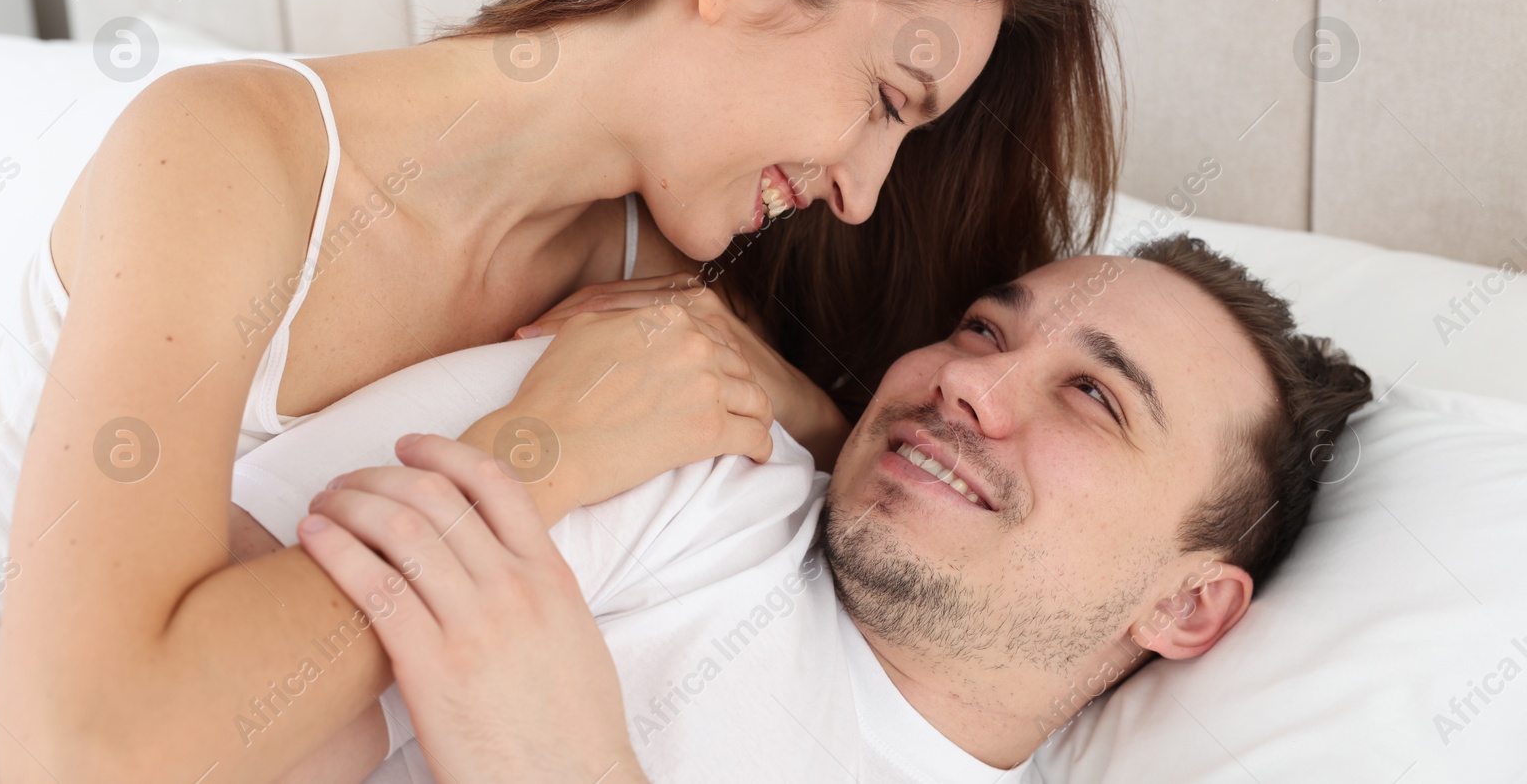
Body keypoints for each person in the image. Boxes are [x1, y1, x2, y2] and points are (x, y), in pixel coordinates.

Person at [0, 0, 1117, 781]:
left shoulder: (671, 283)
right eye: (883, 96)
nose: (861, 192)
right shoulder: (224, 156)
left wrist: (790, 399)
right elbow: (79, 754)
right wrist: (538, 455)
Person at [193, 234, 1371, 782]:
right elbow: (111, 742)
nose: (968, 376)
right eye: (981, 326)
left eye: (1093, 396)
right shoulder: (659, 458)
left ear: (1189, 604)